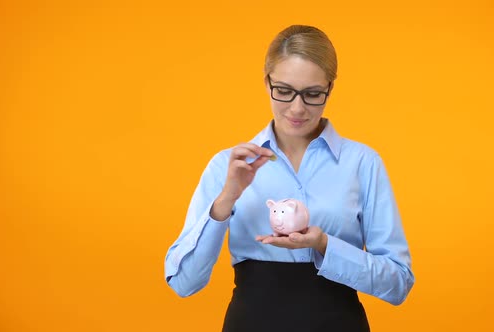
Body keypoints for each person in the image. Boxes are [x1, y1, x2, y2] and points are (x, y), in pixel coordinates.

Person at [164, 25, 415, 332]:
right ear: (266, 81)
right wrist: (226, 199)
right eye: (283, 91)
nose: (297, 108)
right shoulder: (227, 167)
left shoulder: (363, 163)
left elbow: (398, 283)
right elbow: (184, 282)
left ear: (330, 88)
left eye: (312, 94)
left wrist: (324, 245)